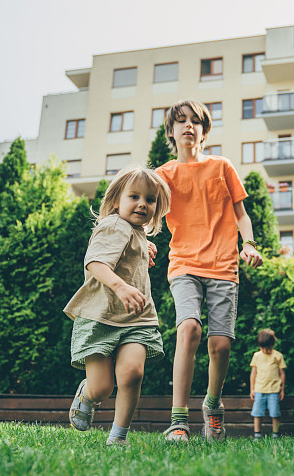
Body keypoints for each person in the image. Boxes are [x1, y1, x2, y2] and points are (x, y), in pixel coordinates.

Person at [155, 99, 263, 442]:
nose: (188, 126)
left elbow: (241, 214)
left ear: (204, 130)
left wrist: (248, 243)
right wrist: (142, 240)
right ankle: (178, 421)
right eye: (181, 121)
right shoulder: (163, 176)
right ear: (171, 132)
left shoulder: (222, 167)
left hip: (223, 266)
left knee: (220, 345)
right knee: (188, 329)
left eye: (195, 121)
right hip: (183, 264)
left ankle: (212, 406)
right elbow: (147, 215)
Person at [63, 165, 171, 446]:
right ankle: (88, 394)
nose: (142, 204)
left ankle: (118, 437)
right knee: (102, 388)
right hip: (102, 316)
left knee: (133, 373)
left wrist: (142, 247)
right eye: (134, 196)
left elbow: (127, 254)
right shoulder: (114, 225)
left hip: (137, 318)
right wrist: (122, 287)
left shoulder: (136, 232)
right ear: (116, 202)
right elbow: (95, 263)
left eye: (150, 199)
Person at [249, 329, 287, 439]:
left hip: (274, 391)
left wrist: (282, 389)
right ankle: (257, 435)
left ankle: (276, 435)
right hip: (259, 390)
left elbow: (282, 374)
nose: (265, 350)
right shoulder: (257, 356)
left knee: (275, 414)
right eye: (263, 348)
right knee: (257, 413)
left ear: (273, 344)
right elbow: (253, 374)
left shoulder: (278, 356)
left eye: (268, 348)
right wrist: (252, 389)